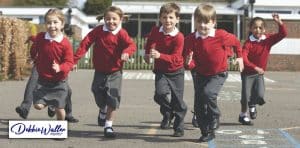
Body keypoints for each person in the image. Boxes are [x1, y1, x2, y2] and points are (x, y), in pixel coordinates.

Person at [73, 6, 136, 138]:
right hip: (100, 70)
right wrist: (74, 60)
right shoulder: (98, 31)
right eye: (108, 18)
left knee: (113, 96)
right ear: (104, 19)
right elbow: (85, 43)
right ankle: (102, 109)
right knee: (97, 91)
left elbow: (131, 45)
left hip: (115, 71)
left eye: (114, 19)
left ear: (121, 20)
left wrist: (126, 52)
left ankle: (108, 126)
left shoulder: (122, 33)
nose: (111, 21)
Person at [184, 4, 244, 142]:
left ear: (213, 22)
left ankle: (215, 115)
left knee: (209, 93)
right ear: (195, 21)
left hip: (218, 73)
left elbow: (235, 42)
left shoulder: (221, 35)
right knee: (198, 107)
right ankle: (207, 132)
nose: (203, 25)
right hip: (200, 74)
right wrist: (188, 63)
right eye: (199, 21)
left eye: (206, 22)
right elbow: (188, 63)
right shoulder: (191, 39)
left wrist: (239, 56)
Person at [144, 2, 187, 137]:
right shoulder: (156, 30)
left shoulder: (179, 37)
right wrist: (147, 53)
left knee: (177, 101)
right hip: (161, 70)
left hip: (176, 71)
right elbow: (150, 41)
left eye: (171, 17)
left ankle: (178, 127)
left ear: (177, 19)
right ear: (160, 18)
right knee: (160, 94)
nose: (167, 20)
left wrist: (159, 55)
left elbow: (176, 57)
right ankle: (168, 112)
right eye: (164, 17)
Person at [15, 37, 78, 123]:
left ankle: (66, 113)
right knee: (32, 83)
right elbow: (35, 40)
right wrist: (33, 55)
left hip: (57, 69)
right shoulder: (43, 37)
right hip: (41, 66)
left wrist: (72, 63)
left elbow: (69, 57)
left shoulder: (64, 41)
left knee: (67, 91)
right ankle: (25, 108)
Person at [239, 13, 287, 125]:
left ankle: (252, 105)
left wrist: (279, 22)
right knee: (245, 96)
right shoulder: (248, 43)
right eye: (255, 27)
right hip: (247, 73)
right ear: (251, 28)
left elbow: (283, 34)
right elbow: (244, 59)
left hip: (259, 74)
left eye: (260, 27)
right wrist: (255, 67)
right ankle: (243, 115)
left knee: (260, 95)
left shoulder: (268, 40)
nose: (258, 30)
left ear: (264, 29)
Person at [31, 8, 74, 122]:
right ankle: (50, 103)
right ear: (45, 24)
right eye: (49, 23)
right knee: (37, 106)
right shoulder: (41, 37)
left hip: (59, 81)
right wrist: (33, 57)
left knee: (59, 109)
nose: (52, 25)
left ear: (62, 24)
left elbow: (69, 62)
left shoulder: (65, 43)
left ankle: (60, 127)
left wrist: (60, 67)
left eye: (55, 22)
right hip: (43, 80)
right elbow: (35, 46)